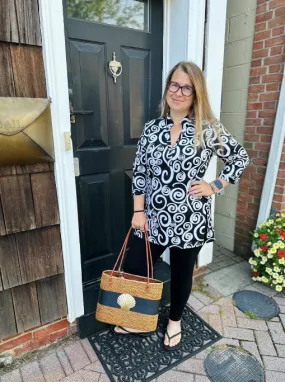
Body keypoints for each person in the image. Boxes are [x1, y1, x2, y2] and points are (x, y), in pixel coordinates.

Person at [114, 61, 250, 350]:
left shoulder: (208, 128)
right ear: (167, 88)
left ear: (195, 93)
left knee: (181, 273)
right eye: (174, 85)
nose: (178, 92)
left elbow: (239, 157)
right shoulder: (152, 128)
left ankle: (174, 320)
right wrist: (138, 212)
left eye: (186, 87)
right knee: (137, 265)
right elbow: (140, 172)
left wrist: (214, 186)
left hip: (190, 219)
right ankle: (137, 315)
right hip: (152, 217)